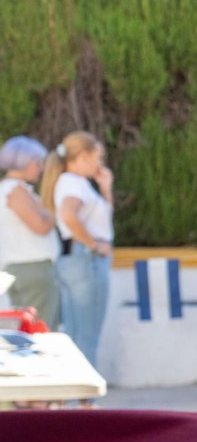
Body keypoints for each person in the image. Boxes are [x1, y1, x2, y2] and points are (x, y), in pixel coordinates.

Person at [42, 132, 113, 366]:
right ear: (83, 156)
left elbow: (100, 219)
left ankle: (75, 399)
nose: (100, 164)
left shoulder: (73, 183)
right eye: (98, 158)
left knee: (77, 333)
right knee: (86, 335)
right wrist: (94, 246)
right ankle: (83, 401)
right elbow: (69, 216)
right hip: (86, 261)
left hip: (76, 260)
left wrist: (105, 189)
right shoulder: (73, 183)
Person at [0, 137, 60, 330]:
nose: (40, 168)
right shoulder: (16, 191)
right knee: (40, 329)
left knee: (26, 328)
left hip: (20, 268)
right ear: (23, 161)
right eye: (37, 163)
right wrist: (53, 207)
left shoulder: (7, 189)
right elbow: (40, 226)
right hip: (33, 269)